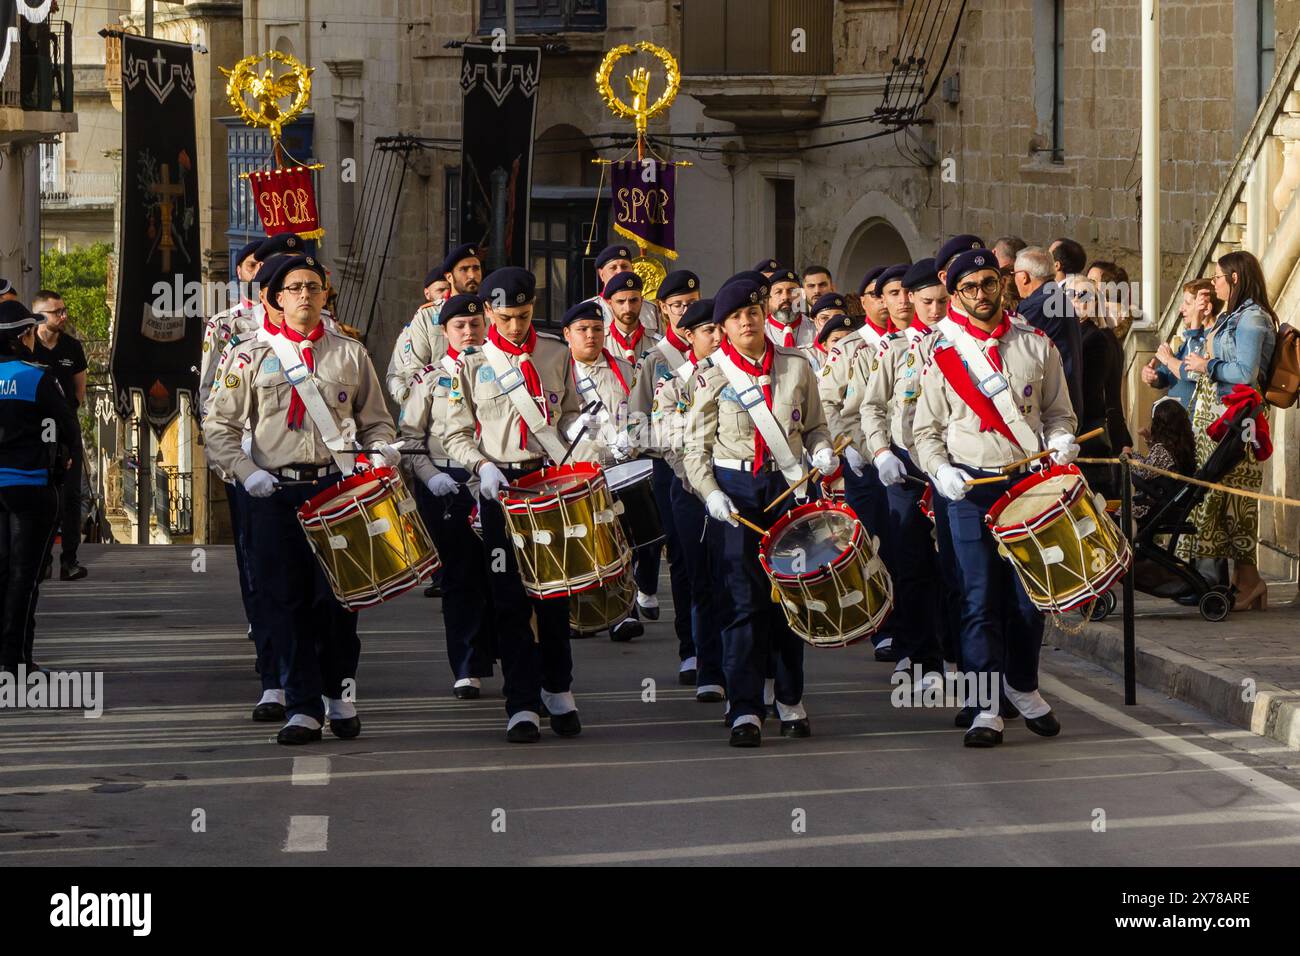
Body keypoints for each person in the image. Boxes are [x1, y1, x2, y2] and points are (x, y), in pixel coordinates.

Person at [203, 255, 400, 745]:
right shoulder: (247, 355)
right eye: (295, 288)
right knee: (283, 601)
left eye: (314, 286)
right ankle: (303, 707)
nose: (306, 296)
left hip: (336, 488)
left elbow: (376, 419)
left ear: (325, 293)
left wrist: (380, 451)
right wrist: (246, 475)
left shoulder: (350, 354)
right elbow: (218, 427)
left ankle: (339, 695)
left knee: (339, 600)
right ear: (276, 298)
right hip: (275, 492)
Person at [913, 248, 1079, 747]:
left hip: (1026, 484)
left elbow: (1058, 412)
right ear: (956, 293)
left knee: (1031, 596)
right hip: (968, 488)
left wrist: (1061, 440)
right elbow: (926, 431)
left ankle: (1022, 685)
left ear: (1002, 284)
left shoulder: (1035, 344)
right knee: (979, 597)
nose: (981, 295)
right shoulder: (939, 350)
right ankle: (986, 706)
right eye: (969, 288)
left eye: (988, 284)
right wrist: (939, 470)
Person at [439, 266, 590, 743]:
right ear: (487, 312)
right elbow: (454, 433)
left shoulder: (556, 354)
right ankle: (520, 701)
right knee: (508, 597)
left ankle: (557, 687)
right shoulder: (469, 365)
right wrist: (479, 466)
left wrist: (582, 444)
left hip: (550, 484)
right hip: (500, 489)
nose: (516, 326)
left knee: (557, 590)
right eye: (505, 317)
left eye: (524, 315)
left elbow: (570, 415)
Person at [683, 279, 836, 747]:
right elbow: (694, 448)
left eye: (752, 312)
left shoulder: (795, 366)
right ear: (724, 328)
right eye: (736, 318)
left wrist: (824, 451)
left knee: (792, 596)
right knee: (743, 600)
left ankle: (790, 699)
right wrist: (709, 491)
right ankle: (745, 706)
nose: (747, 322)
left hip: (786, 486)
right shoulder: (711, 375)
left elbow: (813, 426)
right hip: (736, 489)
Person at [858, 259, 950, 691]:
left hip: (954, 466)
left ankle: (962, 655)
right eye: (927, 301)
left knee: (957, 566)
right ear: (910, 300)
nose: (935, 310)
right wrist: (879, 453)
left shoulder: (961, 345)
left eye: (942, 301)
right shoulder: (894, 350)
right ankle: (921, 655)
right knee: (911, 565)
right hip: (907, 470)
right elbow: (872, 407)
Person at [399, 293, 496, 698]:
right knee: (460, 579)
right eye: (460, 326)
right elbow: (410, 439)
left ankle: (507, 654)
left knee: (504, 576)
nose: (469, 332)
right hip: (451, 485)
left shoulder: (502, 371)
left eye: (475, 325)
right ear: (445, 332)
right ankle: (467, 664)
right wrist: (430, 476)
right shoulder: (430, 378)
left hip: (497, 482)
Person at [1174, 251, 1278, 612]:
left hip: (1239, 424)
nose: (1214, 283)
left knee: (1236, 505)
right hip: (1219, 424)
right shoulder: (1235, 315)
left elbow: (1246, 373)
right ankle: (1241, 582)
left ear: (1234, 278)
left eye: (1219, 277)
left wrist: (1208, 364)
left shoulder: (1252, 319)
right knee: (1220, 504)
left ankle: (1250, 581)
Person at [651, 296, 726, 702]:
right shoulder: (675, 383)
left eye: (720, 328)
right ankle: (704, 663)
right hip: (693, 492)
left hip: (738, 489)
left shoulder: (739, 378)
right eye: (707, 331)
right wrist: (704, 483)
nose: (716, 337)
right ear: (689, 336)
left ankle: (740, 662)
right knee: (701, 580)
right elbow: (670, 441)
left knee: (738, 579)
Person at [626, 269, 702, 653]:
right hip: (670, 468)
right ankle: (689, 646)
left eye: (692, 303)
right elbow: (637, 419)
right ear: (664, 309)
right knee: (683, 556)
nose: (686, 311)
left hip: (715, 463)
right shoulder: (655, 360)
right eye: (678, 306)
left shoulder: (714, 349)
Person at [0, 301, 79, 675]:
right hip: (31, 487)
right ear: (22, 338)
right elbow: (69, 426)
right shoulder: (36, 377)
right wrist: (65, 463)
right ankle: (15, 661)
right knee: (25, 577)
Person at [562, 298, 644, 641]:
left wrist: (632, 439)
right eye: (582, 330)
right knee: (579, 542)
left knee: (619, 540)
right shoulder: (558, 369)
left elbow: (639, 414)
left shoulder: (624, 369)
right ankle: (581, 612)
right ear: (567, 334)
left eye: (597, 329)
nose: (591, 336)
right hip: (573, 469)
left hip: (613, 468)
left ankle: (623, 611)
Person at [30, 290, 87, 581]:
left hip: (66, 429)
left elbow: (79, 391)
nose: (63, 316)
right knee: (41, 493)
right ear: (40, 315)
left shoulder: (72, 348)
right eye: (57, 312)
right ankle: (41, 562)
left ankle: (70, 560)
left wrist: (66, 418)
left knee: (71, 495)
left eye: (64, 310)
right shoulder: (27, 346)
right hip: (34, 431)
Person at [387, 244, 479, 402]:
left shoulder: (490, 314)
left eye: (476, 268)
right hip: (439, 406)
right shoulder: (427, 316)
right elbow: (413, 374)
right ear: (449, 277)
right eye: (464, 269)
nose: (472, 275)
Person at [1067, 275, 1129, 496]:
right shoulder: (1079, 334)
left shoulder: (1096, 338)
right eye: (1071, 295)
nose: (1077, 300)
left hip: (1090, 435)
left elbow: (1091, 393)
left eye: (1084, 295)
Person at [1012, 246, 1084, 413]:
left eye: (1014, 275)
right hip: (1066, 404)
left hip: (1051, 410)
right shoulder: (1058, 299)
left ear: (1023, 277)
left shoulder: (1037, 307)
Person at [1143, 278, 1218, 409]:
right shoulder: (1190, 338)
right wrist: (1154, 377)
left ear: (1205, 308)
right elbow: (1167, 374)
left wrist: (1168, 359)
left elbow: (1192, 373)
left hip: (1195, 422)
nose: (1180, 309)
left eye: (1187, 303)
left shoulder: (1214, 338)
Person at [1131, 398, 1196, 524]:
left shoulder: (1162, 450)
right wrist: (1149, 440)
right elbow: (1157, 465)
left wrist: (1128, 455)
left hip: (1152, 507)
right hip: (1171, 505)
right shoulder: (1183, 447)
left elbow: (1143, 472)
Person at [586, 243, 662, 334]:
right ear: (601, 274)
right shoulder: (588, 309)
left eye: (624, 267)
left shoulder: (650, 308)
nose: (620, 272)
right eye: (613, 268)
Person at [765, 268, 815, 349]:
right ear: (769, 299)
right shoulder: (761, 332)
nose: (785, 297)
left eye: (792, 291)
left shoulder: (814, 329)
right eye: (779, 292)